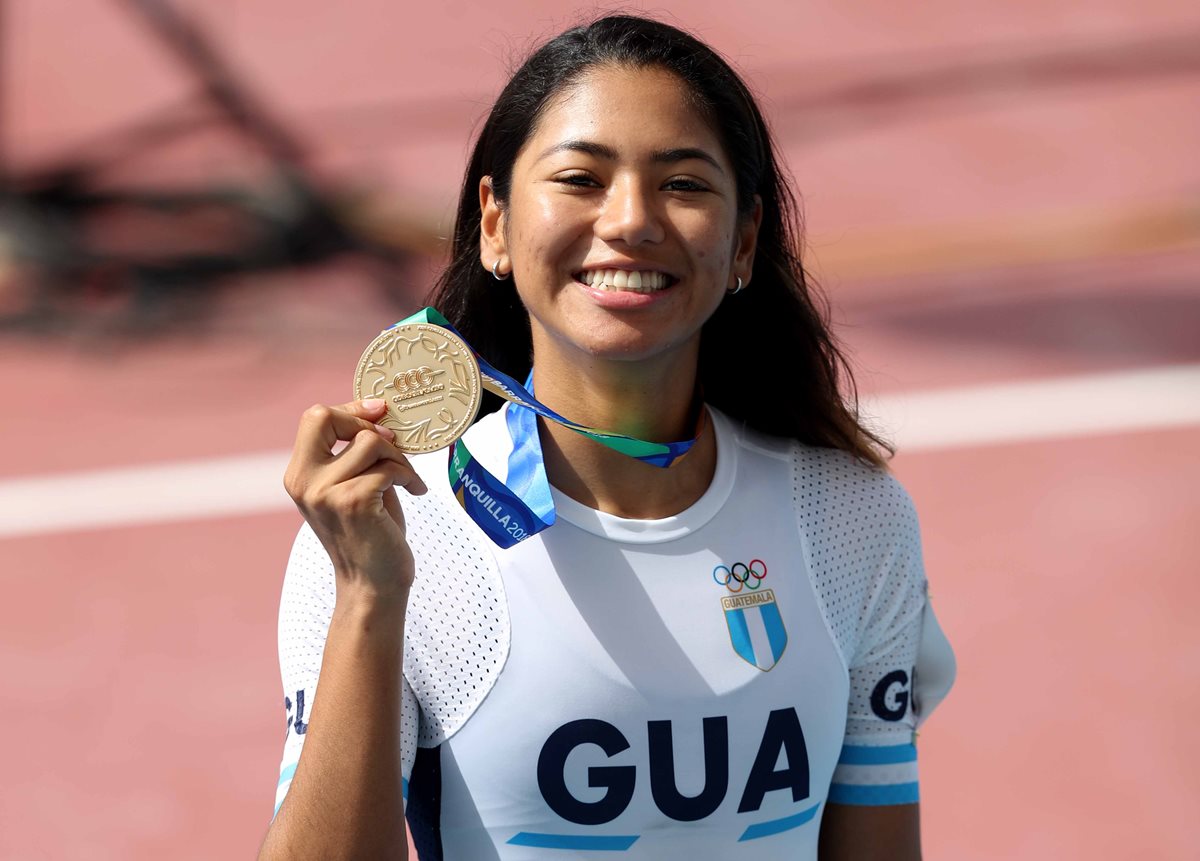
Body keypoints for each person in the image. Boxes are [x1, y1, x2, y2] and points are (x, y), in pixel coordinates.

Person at [259, 14, 955, 861]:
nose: (629, 220)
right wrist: (369, 596)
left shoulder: (852, 519)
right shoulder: (398, 530)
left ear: (743, 244)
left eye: (685, 185)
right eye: (582, 178)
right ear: (495, 225)